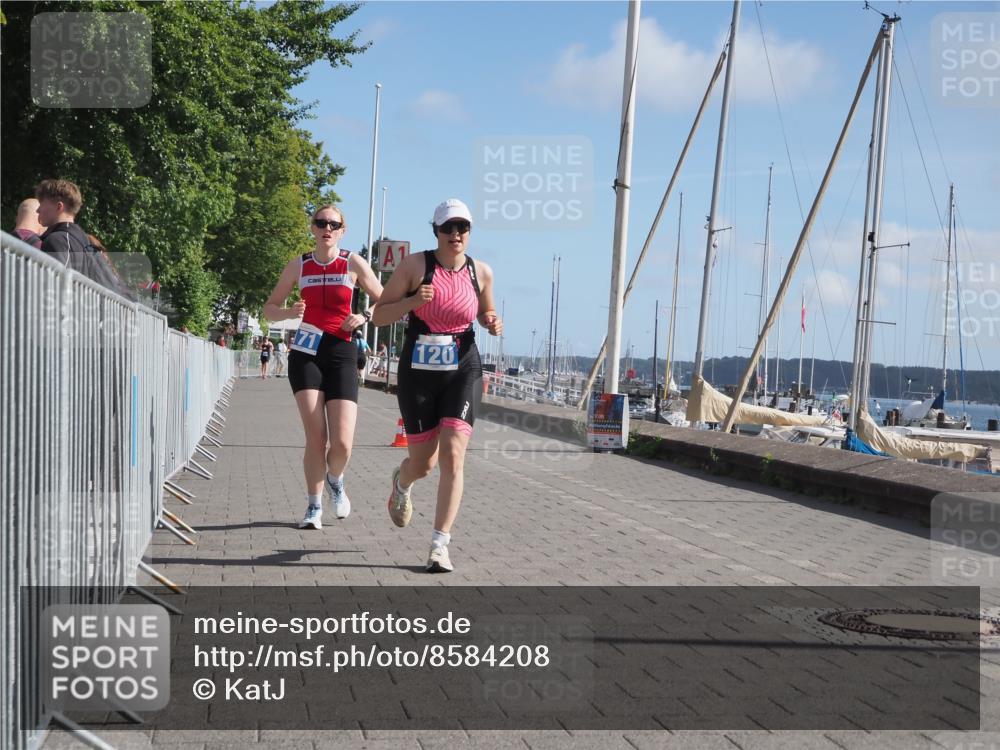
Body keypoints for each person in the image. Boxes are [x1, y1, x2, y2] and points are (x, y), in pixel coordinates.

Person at [372, 198, 502, 572]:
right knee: (424, 463)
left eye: (462, 228)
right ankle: (402, 482)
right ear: (436, 231)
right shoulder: (415, 265)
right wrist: (413, 300)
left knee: (454, 456)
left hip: (463, 365)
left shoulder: (482, 272)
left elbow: (485, 311)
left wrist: (492, 321)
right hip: (419, 367)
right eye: (448, 228)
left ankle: (439, 545)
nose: (456, 235)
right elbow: (380, 316)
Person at [263, 205, 383, 530]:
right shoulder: (299, 265)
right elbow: (269, 309)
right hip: (306, 352)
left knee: (342, 444)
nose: (326, 227)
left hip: (342, 351)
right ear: (313, 228)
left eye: (334, 223)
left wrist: (365, 315)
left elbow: (386, 299)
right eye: (321, 222)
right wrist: (289, 312)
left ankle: (335, 479)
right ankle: (314, 506)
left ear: (342, 231)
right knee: (316, 439)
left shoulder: (353, 263)